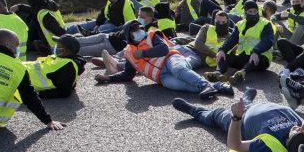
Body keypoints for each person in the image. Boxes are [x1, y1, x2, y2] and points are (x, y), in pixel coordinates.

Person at [95, 20, 231, 99]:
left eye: (140, 28)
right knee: (179, 85)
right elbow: (128, 75)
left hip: (171, 59)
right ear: (128, 35)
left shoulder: (152, 35)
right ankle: (218, 87)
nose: (140, 31)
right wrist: (109, 78)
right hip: (161, 76)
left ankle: (205, 85)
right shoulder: (128, 53)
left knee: (178, 70)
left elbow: (164, 49)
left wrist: (143, 53)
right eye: (135, 30)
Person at [173, 87, 304, 152]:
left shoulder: (271, 147)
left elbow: (235, 145)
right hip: (258, 107)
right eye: (302, 132)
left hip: (242, 120)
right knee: (245, 104)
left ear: (288, 141)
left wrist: (236, 118)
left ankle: (194, 110)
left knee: (215, 115)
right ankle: (246, 99)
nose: (298, 128)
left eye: (296, 132)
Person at [208, 0, 274, 85]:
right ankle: (218, 73)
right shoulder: (240, 24)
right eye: (250, 11)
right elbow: (232, 39)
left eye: (255, 11)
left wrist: (256, 51)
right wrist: (222, 50)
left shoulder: (265, 24)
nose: (253, 14)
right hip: (243, 57)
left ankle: (242, 73)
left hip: (261, 57)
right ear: (245, 12)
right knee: (222, 55)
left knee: (254, 59)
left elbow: (268, 41)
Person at [23, 34, 85, 99]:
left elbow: (64, 92)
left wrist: (37, 94)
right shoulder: (61, 57)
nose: (56, 47)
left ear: (66, 51)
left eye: (58, 46)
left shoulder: (68, 67)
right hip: (23, 68)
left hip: (23, 79)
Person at [67, 0, 136, 34]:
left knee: (102, 29)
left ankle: (91, 34)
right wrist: (98, 24)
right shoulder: (110, 1)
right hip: (106, 21)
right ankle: (65, 31)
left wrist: (100, 26)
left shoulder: (126, 4)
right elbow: (103, 13)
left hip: (117, 26)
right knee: (87, 25)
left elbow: (131, 23)